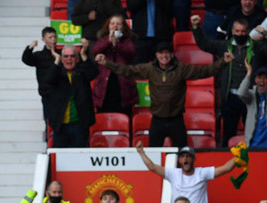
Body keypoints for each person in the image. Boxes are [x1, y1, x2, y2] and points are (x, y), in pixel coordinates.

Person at [96, 44, 231, 147]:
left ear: (172, 54)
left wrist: (223, 62)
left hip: (177, 121)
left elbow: (205, 71)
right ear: (156, 55)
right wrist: (106, 63)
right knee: (154, 156)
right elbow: (127, 71)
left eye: (167, 53)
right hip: (157, 121)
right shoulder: (149, 68)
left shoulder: (182, 69)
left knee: (182, 154)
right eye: (161, 53)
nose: (164, 56)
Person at [192, 15, 254, 144]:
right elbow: (205, 44)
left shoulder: (256, 47)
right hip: (230, 97)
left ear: (248, 31)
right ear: (232, 31)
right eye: (237, 31)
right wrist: (196, 28)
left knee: (252, 134)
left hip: (250, 98)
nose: (240, 34)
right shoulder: (224, 46)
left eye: (243, 31)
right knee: (228, 135)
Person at [44, 43, 99, 147]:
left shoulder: (82, 72)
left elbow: (94, 73)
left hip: (79, 124)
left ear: (77, 59)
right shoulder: (57, 73)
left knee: (80, 157)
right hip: (60, 125)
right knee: (61, 158)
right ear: (62, 59)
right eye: (66, 56)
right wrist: (56, 60)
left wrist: (83, 54)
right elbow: (48, 80)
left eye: (72, 56)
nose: (69, 59)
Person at [90, 14, 138, 115]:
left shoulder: (128, 40)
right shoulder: (103, 38)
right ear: (108, 26)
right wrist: (109, 41)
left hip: (123, 84)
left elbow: (131, 52)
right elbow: (95, 50)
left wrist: (116, 44)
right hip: (105, 84)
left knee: (123, 116)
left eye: (118, 24)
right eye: (112, 24)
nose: (115, 26)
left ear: (123, 26)